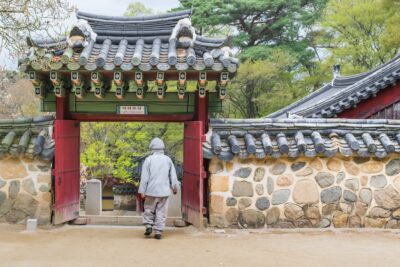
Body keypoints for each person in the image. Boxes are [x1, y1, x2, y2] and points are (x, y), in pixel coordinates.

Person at [138, 137, 180, 240]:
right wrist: (175, 188)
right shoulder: (167, 159)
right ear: (162, 148)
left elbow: (144, 177)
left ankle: (148, 226)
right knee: (161, 211)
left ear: (151, 148)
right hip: (164, 191)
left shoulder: (148, 160)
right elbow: (173, 176)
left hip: (151, 190)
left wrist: (142, 190)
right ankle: (158, 232)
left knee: (148, 208)